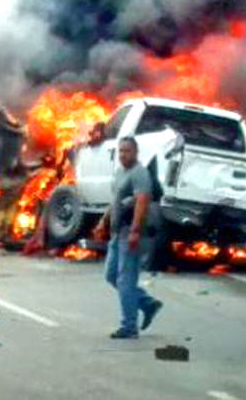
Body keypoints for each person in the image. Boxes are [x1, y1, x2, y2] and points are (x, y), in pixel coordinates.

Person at [94, 136, 163, 339]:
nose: (123, 154)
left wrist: (135, 230)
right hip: (116, 232)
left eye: (128, 151)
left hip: (131, 233)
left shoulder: (139, 173)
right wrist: (102, 221)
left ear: (136, 153)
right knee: (111, 276)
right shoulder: (119, 173)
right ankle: (147, 303)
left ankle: (129, 326)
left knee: (125, 280)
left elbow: (142, 202)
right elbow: (115, 201)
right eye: (121, 151)